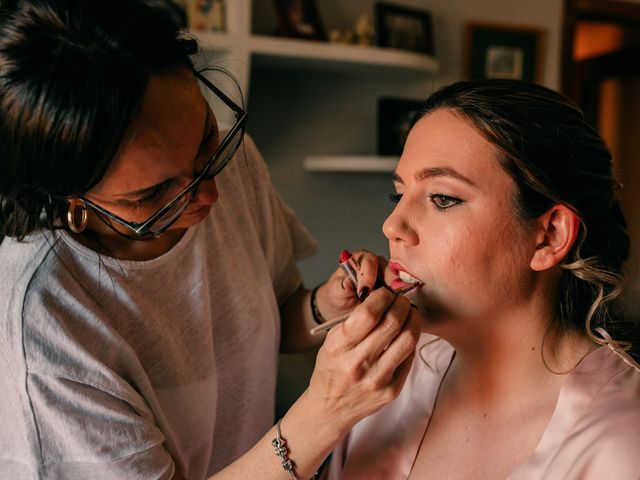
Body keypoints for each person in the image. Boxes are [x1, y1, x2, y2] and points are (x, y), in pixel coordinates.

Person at [0, 1, 422, 479]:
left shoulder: (236, 163)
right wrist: (326, 411)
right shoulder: (40, 325)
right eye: (153, 194)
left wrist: (326, 306)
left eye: (205, 142)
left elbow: (270, 316)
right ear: (71, 201)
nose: (210, 195)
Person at [326, 79, 640, 479]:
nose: (392, 226)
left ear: (550, 236)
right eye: (397, 195)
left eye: (442, 198)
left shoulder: (622, 446)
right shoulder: (380, 382)